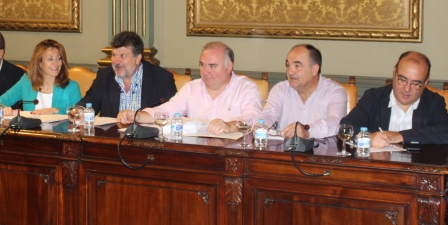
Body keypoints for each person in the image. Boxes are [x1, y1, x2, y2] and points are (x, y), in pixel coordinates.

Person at [120, 42, 262, 134]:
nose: (205, 71)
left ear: (229, 66)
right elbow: (167, 110)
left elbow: (253, 116)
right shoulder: (192, 88)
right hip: (197, 153)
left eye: (212, 66)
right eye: (202, 65)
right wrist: (138, 116)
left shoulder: (245, 87)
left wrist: (230, 126)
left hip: (232, 154)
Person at [340, 51, 448, 147]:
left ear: (426, 82)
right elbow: (346, 127)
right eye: (402, 80)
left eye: (415, 83)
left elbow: (447, 133)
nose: (407, 88)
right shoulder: (373, 98)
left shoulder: (433, 102)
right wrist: (368, 138)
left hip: (417, 166)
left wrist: (400, 136)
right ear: (394, 73)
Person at [77, 31, 177, 118]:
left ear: (137, 58)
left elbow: (174, 112)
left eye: (122, 56)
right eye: (114, 55)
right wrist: (78, 112)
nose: (116, 61)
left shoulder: (162, 78)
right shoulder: (105, 76)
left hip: (148, 134)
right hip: (112, 134)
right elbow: (88, 103)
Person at [258, 44, 347, 139]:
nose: (290, 71)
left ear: (314, 70)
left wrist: (307, 131)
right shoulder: (280, 89)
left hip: (321, 148)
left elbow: (336, 123)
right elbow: (269, 114)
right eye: (288, 65)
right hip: (284, 148)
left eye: (297, 66)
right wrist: (261, 126)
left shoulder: (334, 92)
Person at [0, 39, 81, 115]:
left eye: (59, 59)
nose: (56, 63)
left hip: (60, 129)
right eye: (50, 59)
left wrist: (54, 111)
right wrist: (3, 109)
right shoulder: (27, 82)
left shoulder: (72, 87)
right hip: (32, 129)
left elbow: (78, 115)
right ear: (39, 63)